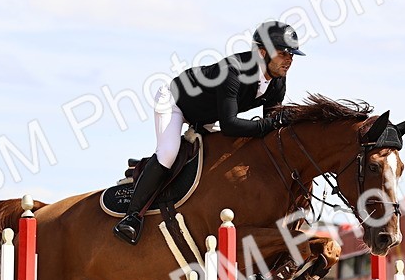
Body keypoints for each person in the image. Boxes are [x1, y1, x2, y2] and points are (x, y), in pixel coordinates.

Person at [113, 20, 307, 245]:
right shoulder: (233, 70)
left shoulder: (277, 81)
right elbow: (230, 125)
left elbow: (269, 129)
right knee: (168, 153)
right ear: (262, 52)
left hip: (206, 115)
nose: (289, 60)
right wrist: (271, 124)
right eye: (283, 53)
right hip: (176, 102)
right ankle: (132, 217)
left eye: (291, 55)